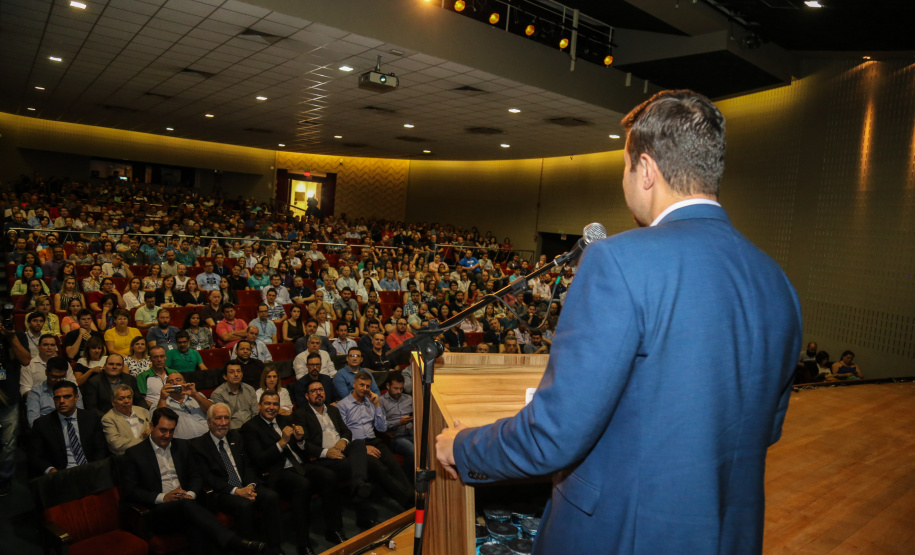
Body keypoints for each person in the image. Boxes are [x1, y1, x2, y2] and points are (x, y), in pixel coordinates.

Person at [434, 90, 803, 554]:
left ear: (645, 169)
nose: (623, 179)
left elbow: (554, 435)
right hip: (730, 536)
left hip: (623, 534)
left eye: (624, 166)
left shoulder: (619, 260)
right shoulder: (777, 281)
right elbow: (764, 429)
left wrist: (462, 446)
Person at [120, 407, 266, 554]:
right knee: (188, 508)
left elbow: (196, 476)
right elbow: (131, 491)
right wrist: (163, 497)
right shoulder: (135, 454)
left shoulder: (182, 446)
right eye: (163, 430)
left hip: (187, 507)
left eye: (171, 431)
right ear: (152, 426)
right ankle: (236, 542)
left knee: (198, 529)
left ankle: (235, 545)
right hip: (158, 511)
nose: (167, 435)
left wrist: (190, 494)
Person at [240, 390, 337, 555]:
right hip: (276, 472)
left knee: (329, 476)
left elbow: (303, 448)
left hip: (299, 465)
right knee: (302, 484)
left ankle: (334, 529)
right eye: (267, 404)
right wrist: (282, 442)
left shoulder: (285, 420)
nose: (271, 407)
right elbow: (259, 460)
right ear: (259, 406)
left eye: (275, 404)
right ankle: (303, 543)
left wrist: (300, 440)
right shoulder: (250, 427)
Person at [190, 403, 284, 555]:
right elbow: (208, 478)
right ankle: (248, 549)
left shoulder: (236, 437)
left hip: (246, 485)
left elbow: (247, 465)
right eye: (218, 418)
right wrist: (236, 491)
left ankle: (275, 547)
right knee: (244, 505)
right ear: (209, 422)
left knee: (271, 497)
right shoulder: (199, 445)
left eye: (226, 418)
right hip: (223, 492)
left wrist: (251, 485)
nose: (223, 423)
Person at [293, 379, 377, 530]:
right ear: (307, 396)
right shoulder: (301, 414)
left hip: (341, 449)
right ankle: (364, 512)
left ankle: (358, 485)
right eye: (314, 391)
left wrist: (343, 441)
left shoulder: (333, 410)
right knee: (360, 464)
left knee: (359, 444)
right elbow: (305, 443)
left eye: (321, 390)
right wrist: (326, 452)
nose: (318, 393)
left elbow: (346, 431)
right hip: (322, 458)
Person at [337, 372, 412, 508]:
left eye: (367, 386)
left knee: (394, 465)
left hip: (374, 440)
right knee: (380, 468)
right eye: (362, 385)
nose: (365, 388)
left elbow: (382, 428)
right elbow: (342, 433)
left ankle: (411, 494)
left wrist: (377, 405)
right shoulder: (343, 405)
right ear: (354, 384)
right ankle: (407, 500)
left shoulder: (371, 403)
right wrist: (362, 448)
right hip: (356, 446)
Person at [29, 380, 108, 475]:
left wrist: (95, 468)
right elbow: (35, 456)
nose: (61, 401)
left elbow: (100, 449)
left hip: (91, 469)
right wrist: (50, 470)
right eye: (57, 397)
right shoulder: (42, 424)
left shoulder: (91, 418)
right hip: (61, 473)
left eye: (67, 396)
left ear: (76, 398)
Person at [81, 353, 147, 418]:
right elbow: (91, 409)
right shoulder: (93, 382)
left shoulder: (130, 379)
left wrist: (145, 413)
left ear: (122, 367)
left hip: (129, 417)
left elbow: (139, 400)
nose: (114, 367)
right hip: (104, 419)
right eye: (111, 364)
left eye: (118, 365)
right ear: (104, 366)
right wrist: (111, 419)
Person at [26, 356, 82, 427]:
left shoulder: (73, 390)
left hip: (72, 427)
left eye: (62, 377)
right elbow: (33, 423)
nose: (58, 380)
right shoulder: (36, 393)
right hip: (47, 429)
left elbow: (80, 416)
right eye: (54, 377)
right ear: (46, 373)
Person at [156, 372, 211, 439]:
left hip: (208, 438)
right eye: (170, 382)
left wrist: (195, 395)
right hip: (182, 443)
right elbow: (159, 422)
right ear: (166, 386)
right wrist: (163, 398)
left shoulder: (198, 395)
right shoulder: (161, 402)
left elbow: (214, 412)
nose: (175, 383)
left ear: (185, 383)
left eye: (178, 380)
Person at [100, 383, 151, 455]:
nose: (127, 401)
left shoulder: (143, 411)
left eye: (129, 397)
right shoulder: (108, 419)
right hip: (126, 456)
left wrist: (151, 431)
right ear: (113, 402)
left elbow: (153, 430)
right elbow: (117, 443)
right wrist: (145, 442)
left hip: (148, 452)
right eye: (122, 399)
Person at [210, 361, 258, 430]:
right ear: (225, 376)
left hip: (251, 428)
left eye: (238, 371)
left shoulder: (249, 389)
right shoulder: (218, 394)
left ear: (242, 374)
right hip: (232, 430)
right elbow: (222, 420)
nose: (236, 374)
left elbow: (255, 414)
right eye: (232, 372)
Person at [380, 373, 414, 461]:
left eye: (401, 388)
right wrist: (399, 422)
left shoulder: (409, 399)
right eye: (395, 388)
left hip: (412, 433)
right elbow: (381, 425)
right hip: (395, 437)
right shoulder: (381, 401)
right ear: (388, 386)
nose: (399, 391)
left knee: (428, 446)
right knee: (412, 450)